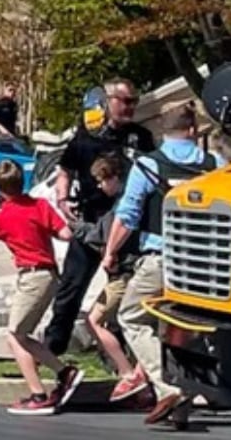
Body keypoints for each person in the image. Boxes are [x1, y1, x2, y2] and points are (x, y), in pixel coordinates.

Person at [103, 103, 223, 426]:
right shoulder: (216, 165)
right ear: (194, 130)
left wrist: (110, 252)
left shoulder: (147, 166)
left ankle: (169, 385)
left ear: (161, 130)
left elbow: (127, 215)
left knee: (131, 315)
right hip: (206, 262)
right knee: (181, 327)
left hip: (162, 258)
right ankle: (181, 406)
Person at [0, 160, 82, 415]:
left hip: (32, 276)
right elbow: (65, 234)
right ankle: (61, 373)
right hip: (48, 274)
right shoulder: (40, 206)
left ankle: (42, 390)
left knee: (16, 336)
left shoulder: (2, 217)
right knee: (22, 333)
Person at [45, 78, 155, 356]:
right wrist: (62, 198)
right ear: (108, 101)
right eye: (125, 101)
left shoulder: (140, 138)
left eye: (134, 102)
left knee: (121, 292)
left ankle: (118, 352)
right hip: (90, 221)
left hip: (125, 226)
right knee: (71, 286)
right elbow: (65, 169)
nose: (130, 108)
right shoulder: (86, 136)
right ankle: (54, 347)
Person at [79, 154, 148, 403]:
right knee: (143, 325)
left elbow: (104, 236)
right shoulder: (137, 202)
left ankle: (127, 372)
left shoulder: (121, 209)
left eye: (102, 180)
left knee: (94, 320)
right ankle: (142, 373)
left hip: (123, 274)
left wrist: (78, 228)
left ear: (115, 178)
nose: (100, 186)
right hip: (137, 271)